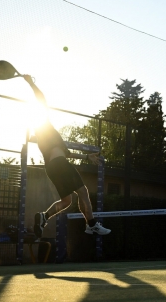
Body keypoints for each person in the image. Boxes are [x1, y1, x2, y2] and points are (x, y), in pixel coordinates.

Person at [21, 75, 111, 238]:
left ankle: (43, 216)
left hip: (53, 168)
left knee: (67, 201)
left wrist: (86, 157)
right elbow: (41, 99)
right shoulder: (44, 127)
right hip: (60, 165)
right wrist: (31, 83)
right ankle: (91, 225)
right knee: (83, 191)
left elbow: (67, 153)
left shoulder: (54, 140)